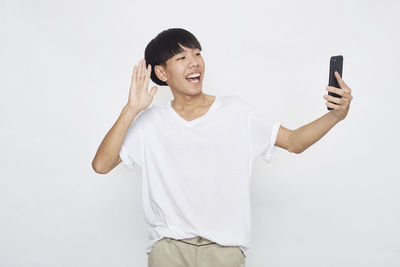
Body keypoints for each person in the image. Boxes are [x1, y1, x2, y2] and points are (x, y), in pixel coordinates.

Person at [92, 28, 353, 267]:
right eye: (181, 58)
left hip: (224, 252)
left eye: (197, 54)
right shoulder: (150, 123)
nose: (194, 61)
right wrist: (131, 110)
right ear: (161, 73)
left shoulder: (236, 112)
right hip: (168, 251)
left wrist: (335, 116)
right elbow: (102, 165)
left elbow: (294, 142)